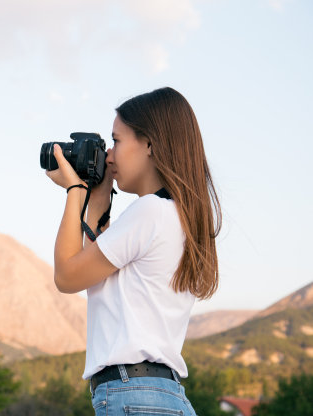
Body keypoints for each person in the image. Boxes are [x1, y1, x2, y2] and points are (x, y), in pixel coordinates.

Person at [45, 87, 221, 415]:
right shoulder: (177, 215)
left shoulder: (148, 212)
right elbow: (95, 273)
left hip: (133, 395)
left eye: (116, 141)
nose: (109, 155)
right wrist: (97, 199)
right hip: (163, 397)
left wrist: (74, 191)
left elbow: (68, 276)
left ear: (150, 144)